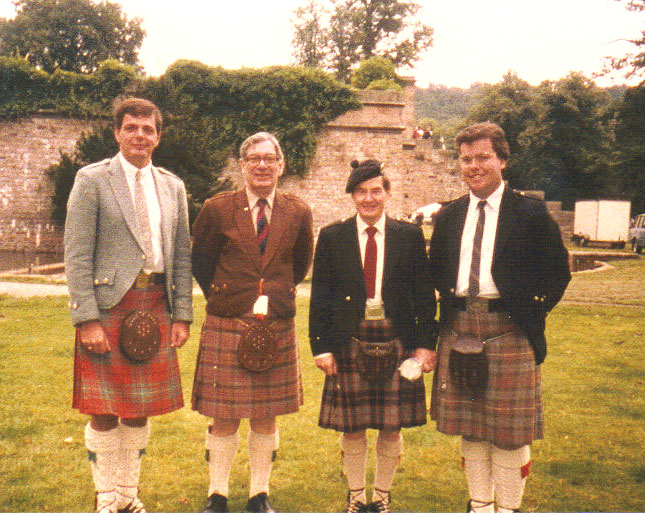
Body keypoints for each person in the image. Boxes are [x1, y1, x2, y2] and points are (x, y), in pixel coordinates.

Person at [428, 122, 571, 513]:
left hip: (510, 330)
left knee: (509, 434)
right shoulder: (450, 215)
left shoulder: (530, 212)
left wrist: (532, 313)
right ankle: (480, 505)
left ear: (502, 160)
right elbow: (437, 273)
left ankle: (507, 508)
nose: (474, 166)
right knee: (471, 429)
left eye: (483, 157)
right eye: (466, 159)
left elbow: (558, 272)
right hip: (459, 327)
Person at [64, 97, 193, 513]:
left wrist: (182, 315)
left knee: (140, 410)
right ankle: (105, 498)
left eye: (148, 129)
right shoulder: (92, 179)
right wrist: (86, 319)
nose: (140, 135)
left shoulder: (173, 185)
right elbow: (77, 254)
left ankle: (127, 496)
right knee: (103, 410)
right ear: (117, 132)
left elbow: (181, 256)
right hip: (107, 309)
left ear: (158, 136)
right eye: (132, 127)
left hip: (155, 305)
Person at [191, 132, 314, 513]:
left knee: (266, 413)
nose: (262, 165)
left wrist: (272, 293)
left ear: (281, 165)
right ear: (242, 165)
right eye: (253, 159)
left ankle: (259, 494)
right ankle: (218, 494)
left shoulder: (298, 211)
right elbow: (201, 263)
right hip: (229, 318)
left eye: (269, 158)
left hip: (274, 321)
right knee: (224, 414)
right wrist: (229, 296)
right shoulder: (217, 208)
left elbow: (300, 263)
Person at [309, 160, 437, 513]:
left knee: (390, 426)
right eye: (361, 192)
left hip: (397, 336)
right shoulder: (333, 236)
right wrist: (321, 348)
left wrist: (425, 344)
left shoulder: (408, 235)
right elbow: (319, 295)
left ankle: (381, 496)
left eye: (376, 191)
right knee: (353, 427)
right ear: (352, 196)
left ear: (387, 192)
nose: (369, 199)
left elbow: (425, 294)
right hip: (348, 337)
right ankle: (355, 496)